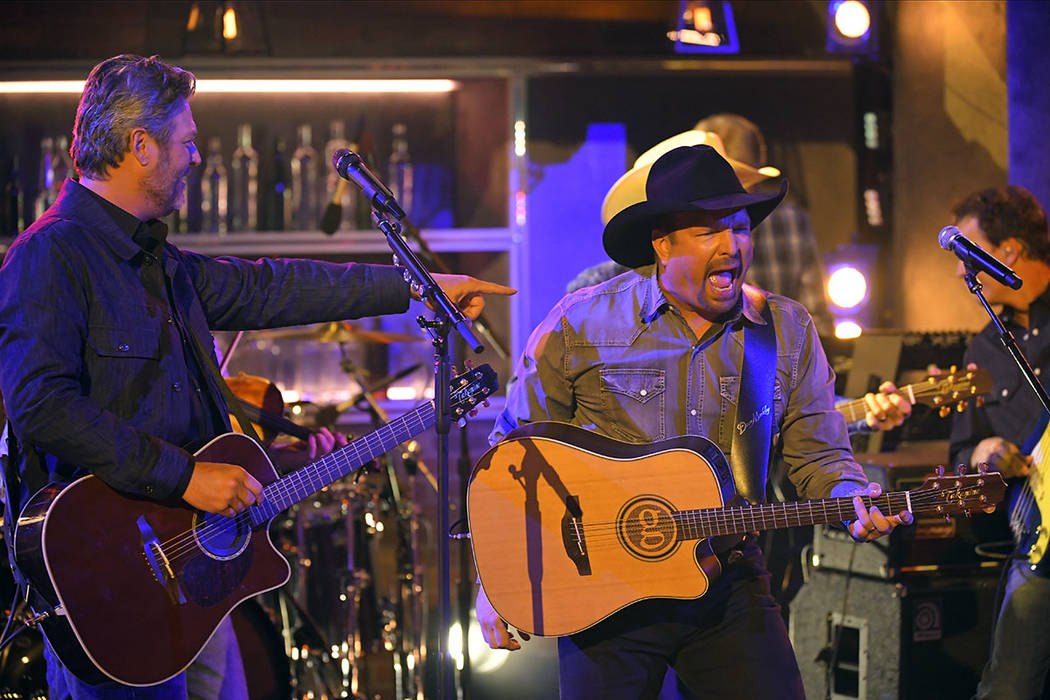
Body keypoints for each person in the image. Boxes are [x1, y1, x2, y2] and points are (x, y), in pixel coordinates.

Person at [0, 54, 514, 699]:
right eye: (186, 141)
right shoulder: (50, 254)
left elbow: (273, 287)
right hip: (110, 584)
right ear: (141, 147)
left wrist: (418, 285)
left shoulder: (160, 260)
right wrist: (186, 476)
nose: (193, 156)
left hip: (190, 568)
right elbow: (40, 406)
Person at [475, 144, 910, 699]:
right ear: (663, 245)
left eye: (741, 228)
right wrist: (498, 582)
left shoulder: (784, 330)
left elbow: (820, 455)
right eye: (710, 232)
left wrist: (853, 500)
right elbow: (512, 458)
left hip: (726, 580)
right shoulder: (581, 324)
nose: (733, 246)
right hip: (606, 593)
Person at [571, 112, 834, 335]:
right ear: (660, 236)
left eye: (739, 225)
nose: (729, 245)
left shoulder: (786, 322)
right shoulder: (595, 295)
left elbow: (813, 328)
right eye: (707, 227)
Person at [947, 185, 1050, 700]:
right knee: (1007, 688)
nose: (959, 269)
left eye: (969, 252)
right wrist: (983, 454)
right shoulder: (983, 347)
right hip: (1039, 545)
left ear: (1008, 251)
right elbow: (960, 453)